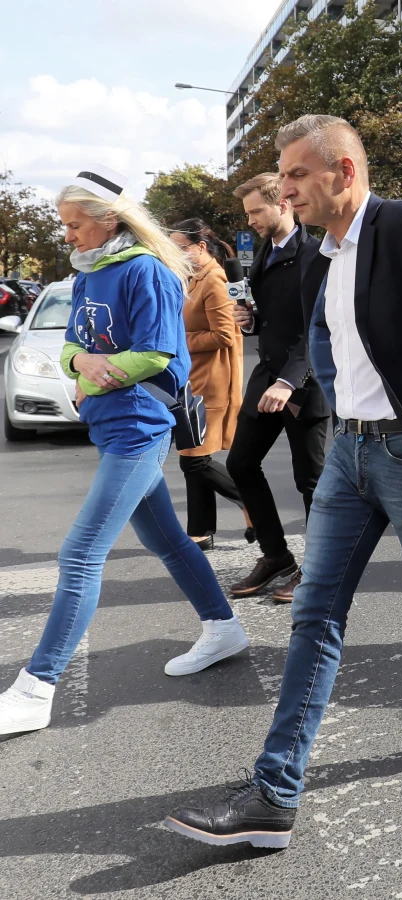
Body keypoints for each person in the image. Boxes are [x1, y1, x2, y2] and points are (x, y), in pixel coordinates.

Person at [166, 115, 402, 848]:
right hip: (350, 459)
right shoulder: (323, 253)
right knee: (314, 614)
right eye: (283, 176)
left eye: (296, 173)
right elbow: (323, 336)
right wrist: (330, 394)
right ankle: (274, 791)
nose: (285, 188)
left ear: (343, 172)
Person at [0, 167, 249, 736]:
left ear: (108, 219)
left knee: (80, 553)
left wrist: (96, 374)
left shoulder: (146, 270)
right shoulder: (91, 272)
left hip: (139, 428)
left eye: (74, 224)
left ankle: (37, 686)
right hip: (110, 427)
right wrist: (82, 365)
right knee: (168, 540)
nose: (66, 236)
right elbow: (71, 347)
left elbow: (161, 354)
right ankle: (223, 627)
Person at [226, 173, 330, 602]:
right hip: (267, 376)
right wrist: (252, 321)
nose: (250, 220)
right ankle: (276, 556)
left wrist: (290, 380)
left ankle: (317, 572)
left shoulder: (317, 253)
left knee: (312, 482)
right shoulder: (267, 250)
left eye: (256, 211)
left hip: (305, 383)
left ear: (283, 204)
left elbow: (319, 326)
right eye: (247, 212)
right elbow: (276, 316)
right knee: (240, 464)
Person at [168, 219, 249, 550]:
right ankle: (200, 531)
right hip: (194, 378)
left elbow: (225, 335)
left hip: (211, 383)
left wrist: (178, 339)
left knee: (194, 459)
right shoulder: (194, 277)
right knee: (192, 458)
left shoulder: (214, 279)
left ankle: (251, 503)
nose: (175, 253)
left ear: (200, 248)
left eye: (180, 247)